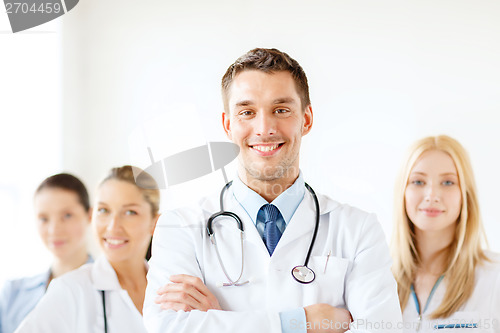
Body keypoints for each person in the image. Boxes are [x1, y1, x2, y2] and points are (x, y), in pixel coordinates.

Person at [144, 48, 402, 333]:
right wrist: (302, 322)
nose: (264, 128)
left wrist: (219, 321)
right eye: (247, 112)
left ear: (306, 119)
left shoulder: (358, 229)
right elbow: (167, 327)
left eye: (281, 110)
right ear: (228, 125)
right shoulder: (180, 227)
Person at [15, 166, 160, 333]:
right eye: (104, 210)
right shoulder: (70, 290)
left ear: (155, 222)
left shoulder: (176, 289)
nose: (113, 227)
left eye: (130, 212)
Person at [391, 135, 500, 332]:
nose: (432, 195)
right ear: (403, 191)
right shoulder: (376, 277)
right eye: (418, 181)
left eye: (448, 182)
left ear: (465, 195)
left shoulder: (494, 277)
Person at [0, 173, 92, 333]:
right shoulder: (13, 294)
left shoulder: (118, 288)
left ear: (90, 215)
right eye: (44, 218)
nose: (54, 230)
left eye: (67, 216)